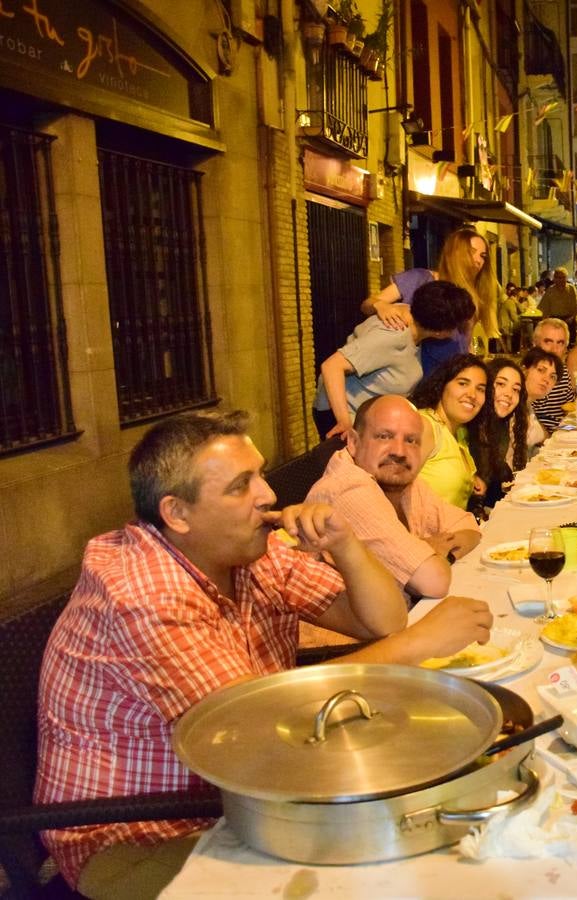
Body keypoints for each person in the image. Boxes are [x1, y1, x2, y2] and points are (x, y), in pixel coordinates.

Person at [34, 410, 492, 897]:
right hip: (138, 835)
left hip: (251, 795)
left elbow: (381, 620)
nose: (269, 495)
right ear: (177, 513)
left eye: (260, 473)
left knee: (435, 821)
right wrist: (419, 645)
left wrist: (345, 543)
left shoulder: (254, 551)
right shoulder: (143, 594)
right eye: (240, 485)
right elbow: (253, 730)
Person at [307, 395, 481, 599]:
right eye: (384, 436)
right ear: (353, 442)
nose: (399, 451)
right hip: (347, 631)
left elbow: (470, 527)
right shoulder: (347, 490)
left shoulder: (402, 481)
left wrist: (433, 553)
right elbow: (434, 581)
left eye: (411, 440)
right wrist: (427, 551)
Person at [313, 281, 469, 439]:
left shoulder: (407, 316)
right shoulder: (394, 335)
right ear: (441, 331)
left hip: (369, 419)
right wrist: (344, 422)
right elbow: (332, 366)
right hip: (345, 418)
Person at [361, 227, 498, 371]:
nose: (478, 260)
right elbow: (367, 304)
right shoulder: (420, 278)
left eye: (483, 256)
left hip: (451, 375)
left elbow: (464, 342)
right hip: (410, 375)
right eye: (471, 252)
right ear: (453, 253)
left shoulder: (472, 297)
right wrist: (381, 306)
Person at [407, 355, 488, 511]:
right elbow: (393, 489)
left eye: (480, 389)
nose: (472, 395)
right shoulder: (426, 426)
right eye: (463, 383)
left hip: (454, 529)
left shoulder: (460, 431)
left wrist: (470, 480)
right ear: (442, 386)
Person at [470, 357, 530, 507]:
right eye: (501, 384)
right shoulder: (469, 424)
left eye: (515, 389)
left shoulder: (500, 427)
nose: (509, 394)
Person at [528, 317, 575, 432]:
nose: (554, 349)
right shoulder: (527, 373)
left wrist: (574, 429)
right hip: (535, 438)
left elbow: (570, 409)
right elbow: (529, 422)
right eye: (548, 341)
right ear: (535, 343)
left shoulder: (563, 372)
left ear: (565, 348)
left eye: (560, 343)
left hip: (558, 431)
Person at [520, 346, 560, 450]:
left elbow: (541, 434)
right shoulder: (512, 405)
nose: (546, 379)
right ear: (524, 371)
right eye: (541, 370)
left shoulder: (527, 406)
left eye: (552, 377)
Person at [539, 267, 577, 335]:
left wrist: (572, 317)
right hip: (554, 321)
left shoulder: (572, 289)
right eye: (558, 278)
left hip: (569, 321)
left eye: (563, 277)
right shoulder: (550, 290)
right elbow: (545, 310)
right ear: (554, 279)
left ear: (566, 278)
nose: (561, 280)